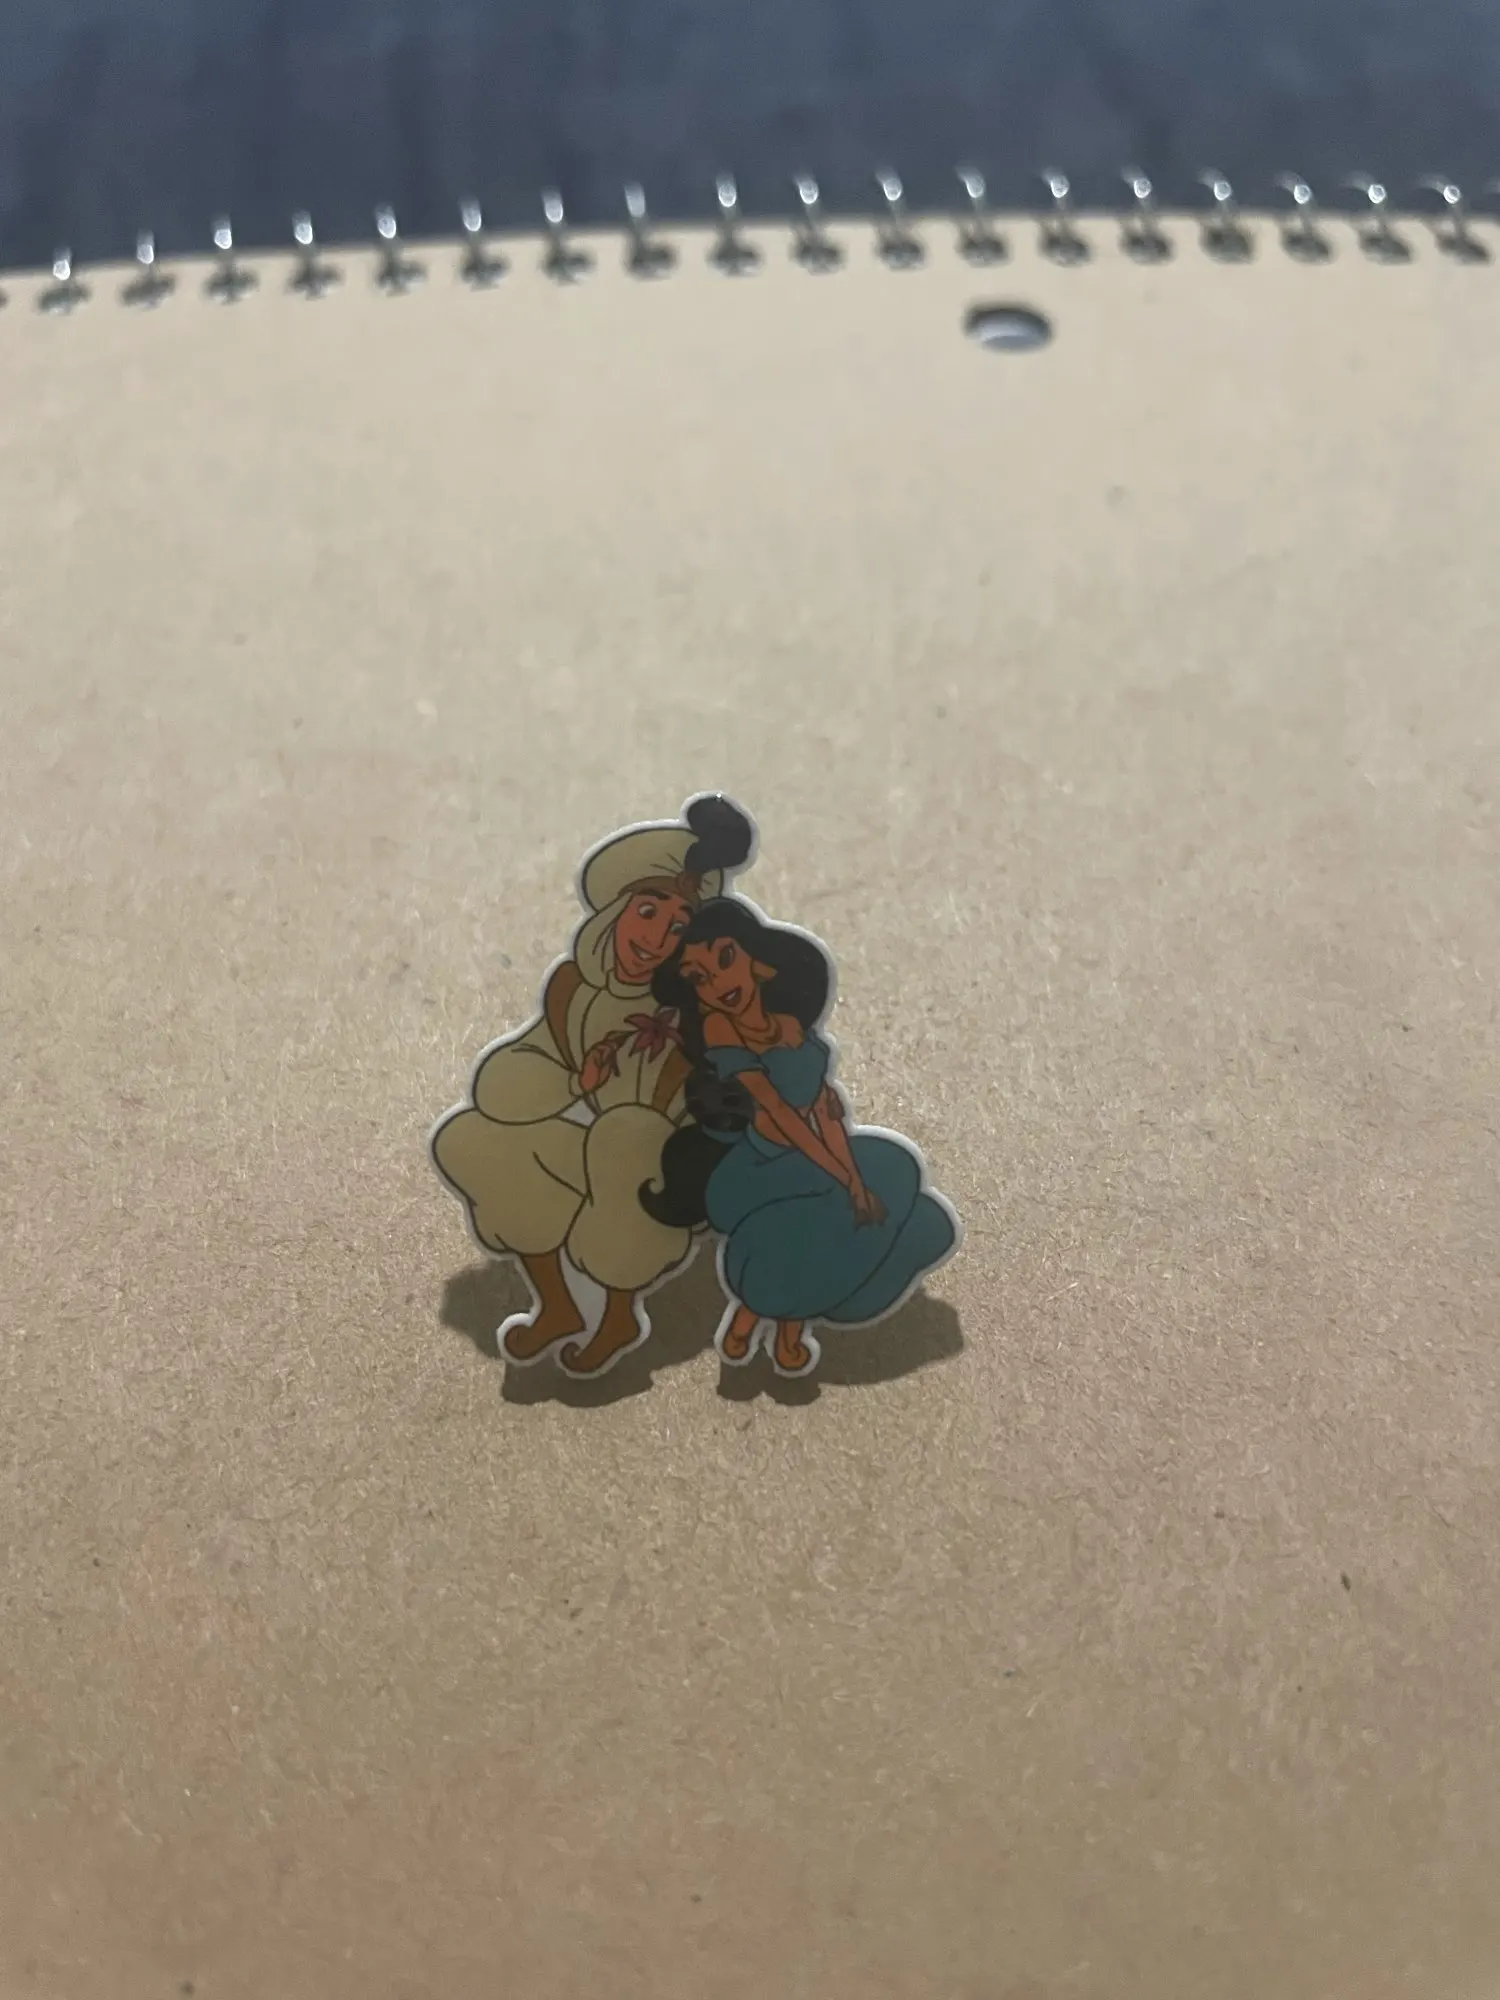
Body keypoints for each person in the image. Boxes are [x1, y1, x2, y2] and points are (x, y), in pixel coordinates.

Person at [431, 797, 755, 1375]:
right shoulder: (573, 988)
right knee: (474, 1137)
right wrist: (571, 1081)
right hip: (601, 1148)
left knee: (625, 1134)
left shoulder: (696, 1008)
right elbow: (512, 1076)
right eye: (647, 912)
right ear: (615, 912)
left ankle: (618, 1314)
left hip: (670, 1172)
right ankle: (557, 1304)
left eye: (677, 926)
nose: (656, 937)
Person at [640, 900, 958, 1377]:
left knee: (895, 1169)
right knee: (809, 1218)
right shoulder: (720, 1028)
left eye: (725, 959)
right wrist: (844, 1179)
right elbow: (778, 1113)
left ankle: (792, 1330)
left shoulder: (790, 1024)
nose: (718, 983)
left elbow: (825, 1112)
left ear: (759, 962)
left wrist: (853, 1176)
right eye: (699, 978)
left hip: (810, 1151)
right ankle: (747, 1320)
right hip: (758, 1163)